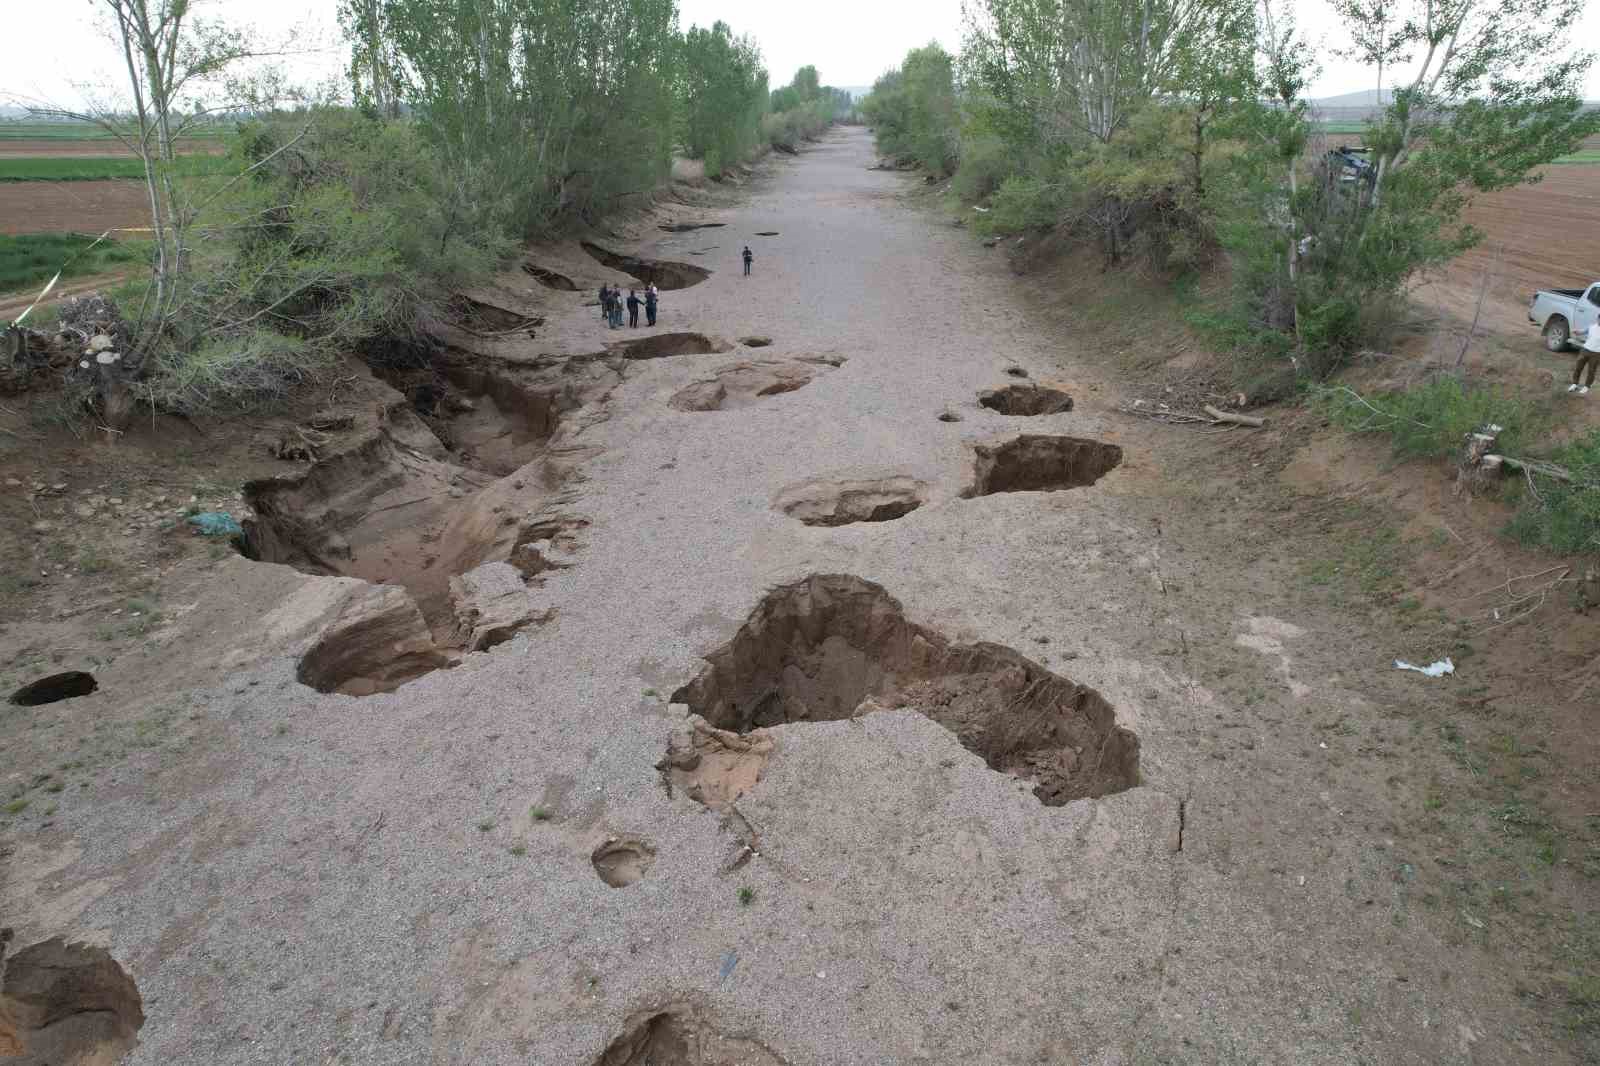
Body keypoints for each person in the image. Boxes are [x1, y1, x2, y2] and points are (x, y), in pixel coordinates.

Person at [1570, 321, 1600, 396]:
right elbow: (1581, 332)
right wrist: (1576, 332)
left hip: (1596, 353)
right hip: (1585, 350)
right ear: (1598, 318)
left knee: (1591, 371)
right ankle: (1574, 383)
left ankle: (1586, 386)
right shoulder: (1591, 327)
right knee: (1578, 367)